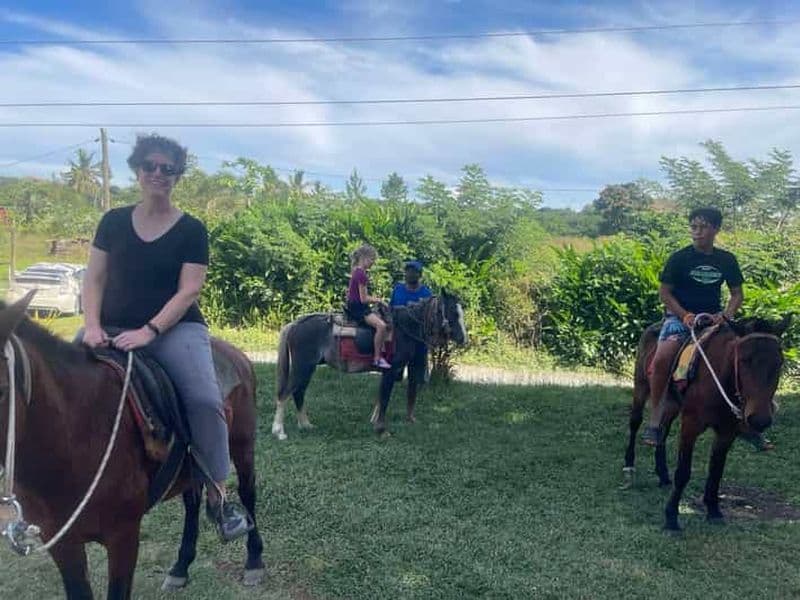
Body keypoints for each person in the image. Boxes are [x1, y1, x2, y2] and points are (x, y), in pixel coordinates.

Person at [80, 133, 251, 541]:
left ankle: (219, 496)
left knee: (205, 400)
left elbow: (189, 289)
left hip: (173, 329)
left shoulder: (192, 229)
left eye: (168, 168)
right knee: (53, 381)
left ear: (178, 176)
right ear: (137, 171)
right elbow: (94, 277)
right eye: (150, 166)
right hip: (110, 327)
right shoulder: (113, 221)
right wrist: (90, 325)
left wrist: (150, 331)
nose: (158, 174)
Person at [642, 207, 745, 446]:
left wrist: (726, 315)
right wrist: (684, 315)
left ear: (716, 229)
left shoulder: (726, 260)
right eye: (694, 227)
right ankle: (655, 420)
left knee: (743, 354)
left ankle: (745, 418)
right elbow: (664, 293)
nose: (697, 232)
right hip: (680, 319)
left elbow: (737, 294)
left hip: (712, 320)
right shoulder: (679, 258)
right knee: (662, 358)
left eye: (703, 227)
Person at [347, 244, 391, 369]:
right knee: (381, 326)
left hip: (354, 305)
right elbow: (364, 298)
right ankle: (377, 358)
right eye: (372, 259)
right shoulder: (361, 274)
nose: (373, 263)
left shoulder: (356, 271)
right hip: (359, 309)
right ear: (364, 257)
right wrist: (380, 300)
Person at [390, 260, 433, 382]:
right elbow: (391, 308)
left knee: (418, 368)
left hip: (418, 335)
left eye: (413, 272)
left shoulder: (426, 293)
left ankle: (418, 381)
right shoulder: (398, 289)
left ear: (419, 275)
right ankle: (396, 376)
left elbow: (430, 315)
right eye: (407, 272)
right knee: (396, 365)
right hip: (399, 333)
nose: (410, 274)